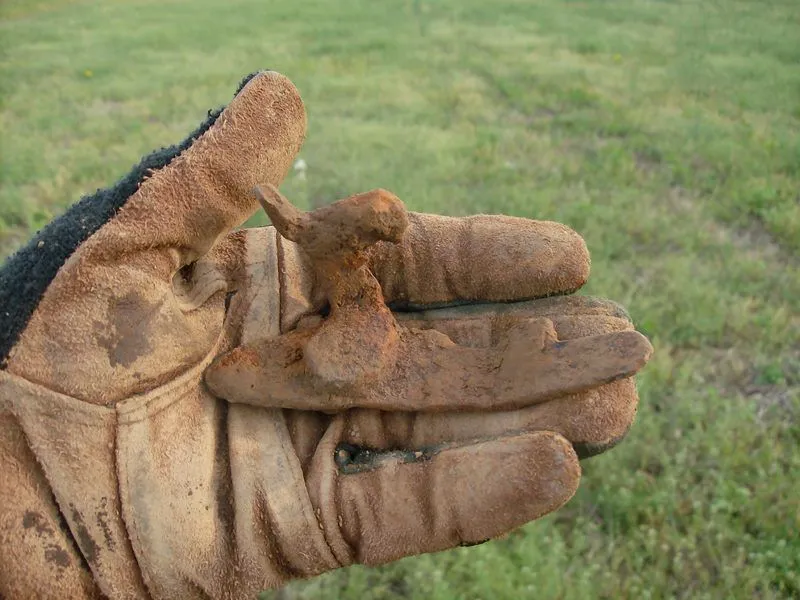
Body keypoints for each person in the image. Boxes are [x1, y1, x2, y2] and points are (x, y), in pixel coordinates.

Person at [0, 71, 651, 599]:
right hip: (318, 353)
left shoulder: (339, 259)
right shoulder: (323, 273)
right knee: (342, 354)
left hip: (339, 344)